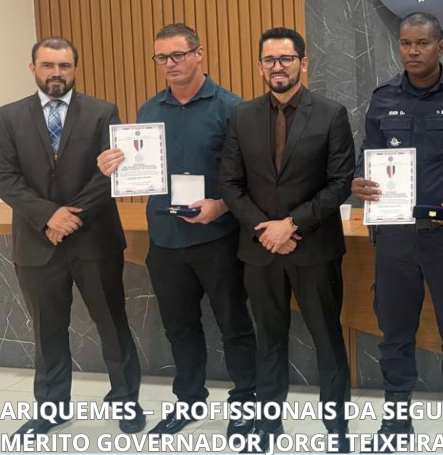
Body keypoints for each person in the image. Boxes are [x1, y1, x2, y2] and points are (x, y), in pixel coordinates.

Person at [96, 24, 256, 436]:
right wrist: (114, 167)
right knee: (179, 327)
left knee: (234, 325)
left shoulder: (232, 108)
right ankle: (189, 400)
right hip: (165, 240)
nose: (170, 64)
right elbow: (141, 170)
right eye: (162, 57)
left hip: (217, 237)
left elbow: (249, 176)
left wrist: (220, 205)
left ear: (199, 54)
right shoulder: (149, 111)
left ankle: (245, 403)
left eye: (178, 55)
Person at [351, 12, 443, 451]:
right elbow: (367, 155)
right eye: (405, 43)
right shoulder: (382, 98)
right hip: (395, 238)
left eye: (422, 43)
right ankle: (396, 426)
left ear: (440, 46)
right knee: (395, 336)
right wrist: (358, 180)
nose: (413, 51)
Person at [219, 27, 355, 452]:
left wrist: (291, 224)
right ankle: (268, 423)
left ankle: (337, 427)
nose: (277, 67)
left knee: (327, 339)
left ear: (303, 63)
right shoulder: (242, 116)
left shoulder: (331, 114)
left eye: (286, 59)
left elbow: (340, 183)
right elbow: (230, 183)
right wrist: (265, 229)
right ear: (260, 66)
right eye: (270, 60)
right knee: (269, 340)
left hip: (314, 249)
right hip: (260, 250)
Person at [0, 38, 144, 435]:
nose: (56, 73)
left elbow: (110, 174)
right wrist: (49, 216)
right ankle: (52, 409)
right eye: (48, 65)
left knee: (112, 325)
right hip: (37, 242)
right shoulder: (8, 117)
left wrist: (69, 217)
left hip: (94, 240)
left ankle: (126, 400)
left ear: (75, 69)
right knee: (46, 332)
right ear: (33, 68)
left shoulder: (102, 112)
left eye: (64, 66)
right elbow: (6, 178)